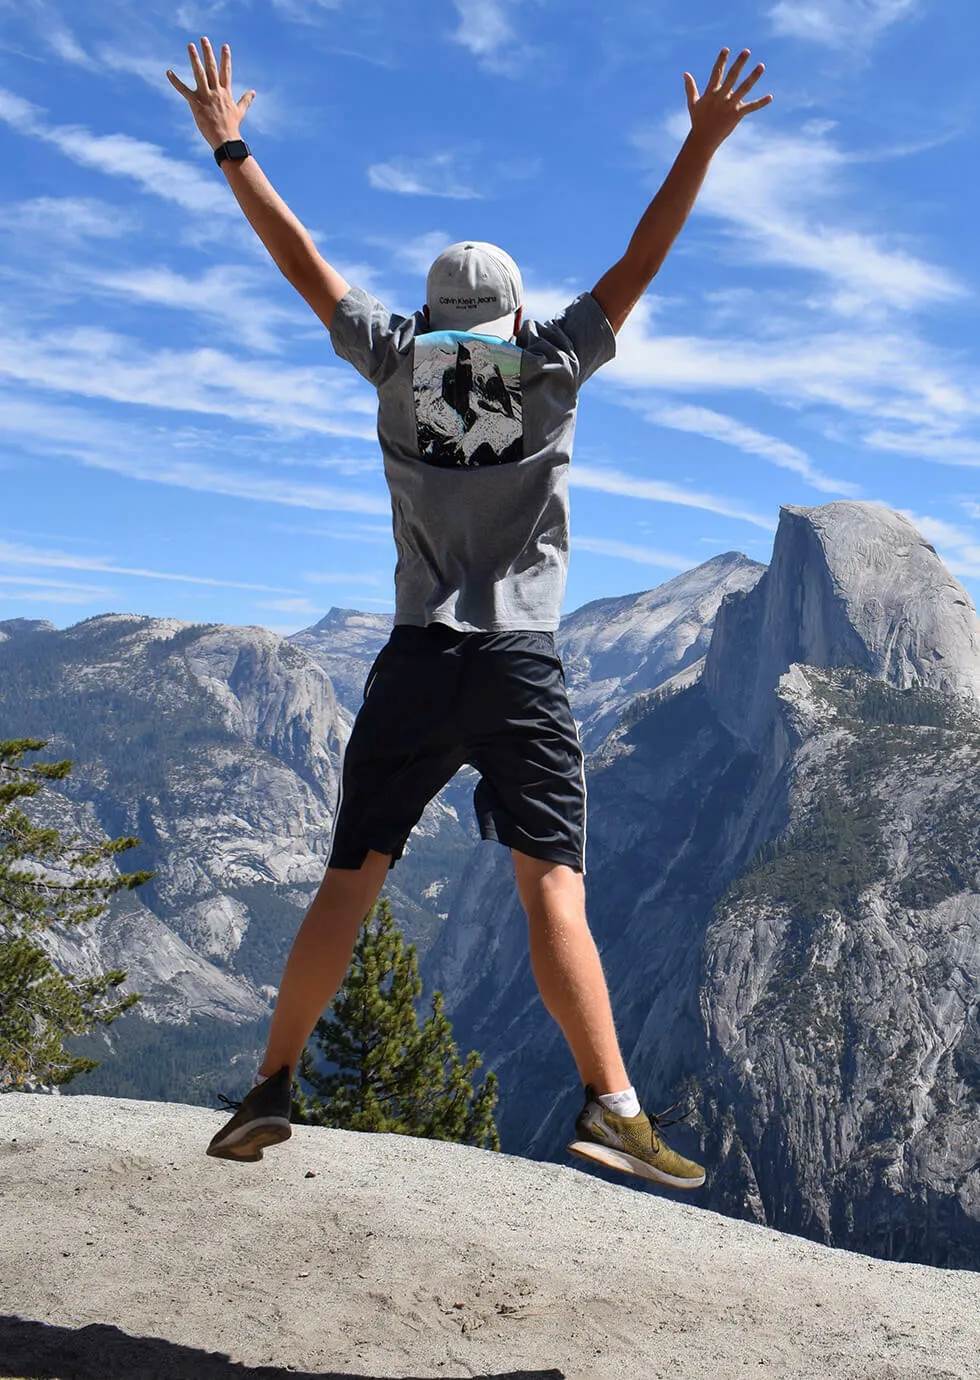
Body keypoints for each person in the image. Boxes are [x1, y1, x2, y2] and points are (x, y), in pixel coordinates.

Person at [167, 36, 772, 1186]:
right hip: (518, 665)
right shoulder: (549, 367)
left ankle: (269, 1083)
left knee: (349, 880)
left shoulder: (393, 362)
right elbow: (639, 260)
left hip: (412, 659)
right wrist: (698, 147)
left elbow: (300, 263)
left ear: (433, 311)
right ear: (512, 312)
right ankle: (610, 1103)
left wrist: (229, 142)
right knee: (550, 883)